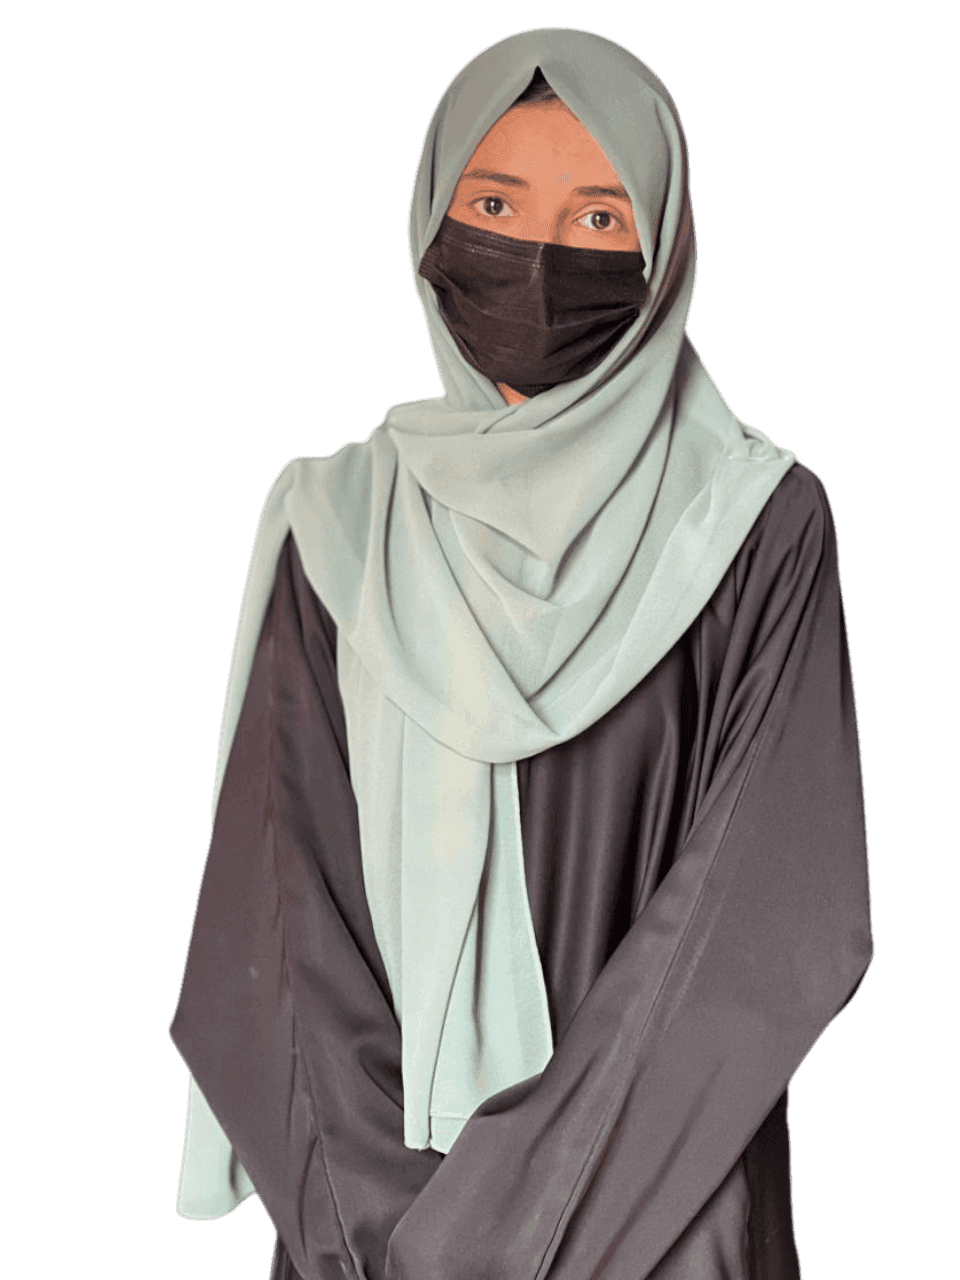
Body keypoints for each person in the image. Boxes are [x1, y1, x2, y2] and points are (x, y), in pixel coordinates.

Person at [170, 28, 872, 1280]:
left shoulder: (755, 525)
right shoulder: (338, 527)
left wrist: (487, 1239)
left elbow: (762, 924)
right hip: (364, 1244)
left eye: (600, 218)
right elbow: (275, 931)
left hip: (660, 1234)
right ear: (433, 222)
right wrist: (380, 1241)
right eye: (495, 205)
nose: (542, 258)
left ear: (664, 251)